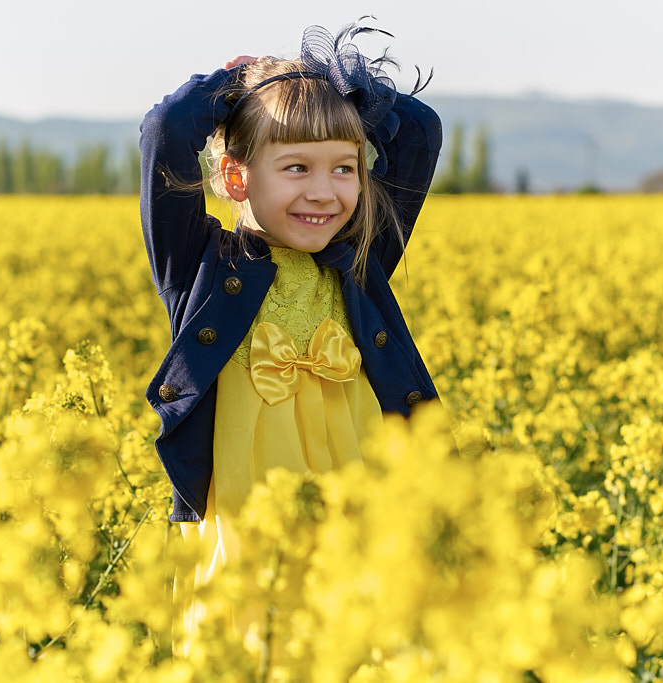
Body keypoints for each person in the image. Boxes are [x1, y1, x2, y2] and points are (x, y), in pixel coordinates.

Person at [139, 21, 442, 576]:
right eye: (296, 167)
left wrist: (338, 86)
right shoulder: (200, 266)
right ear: (236, 177)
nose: (324, 192)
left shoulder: (357, 259)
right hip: (246, 534)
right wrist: (232, 86)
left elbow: (420, 132)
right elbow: (166, 130)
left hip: (358, 523)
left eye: (345, 169)